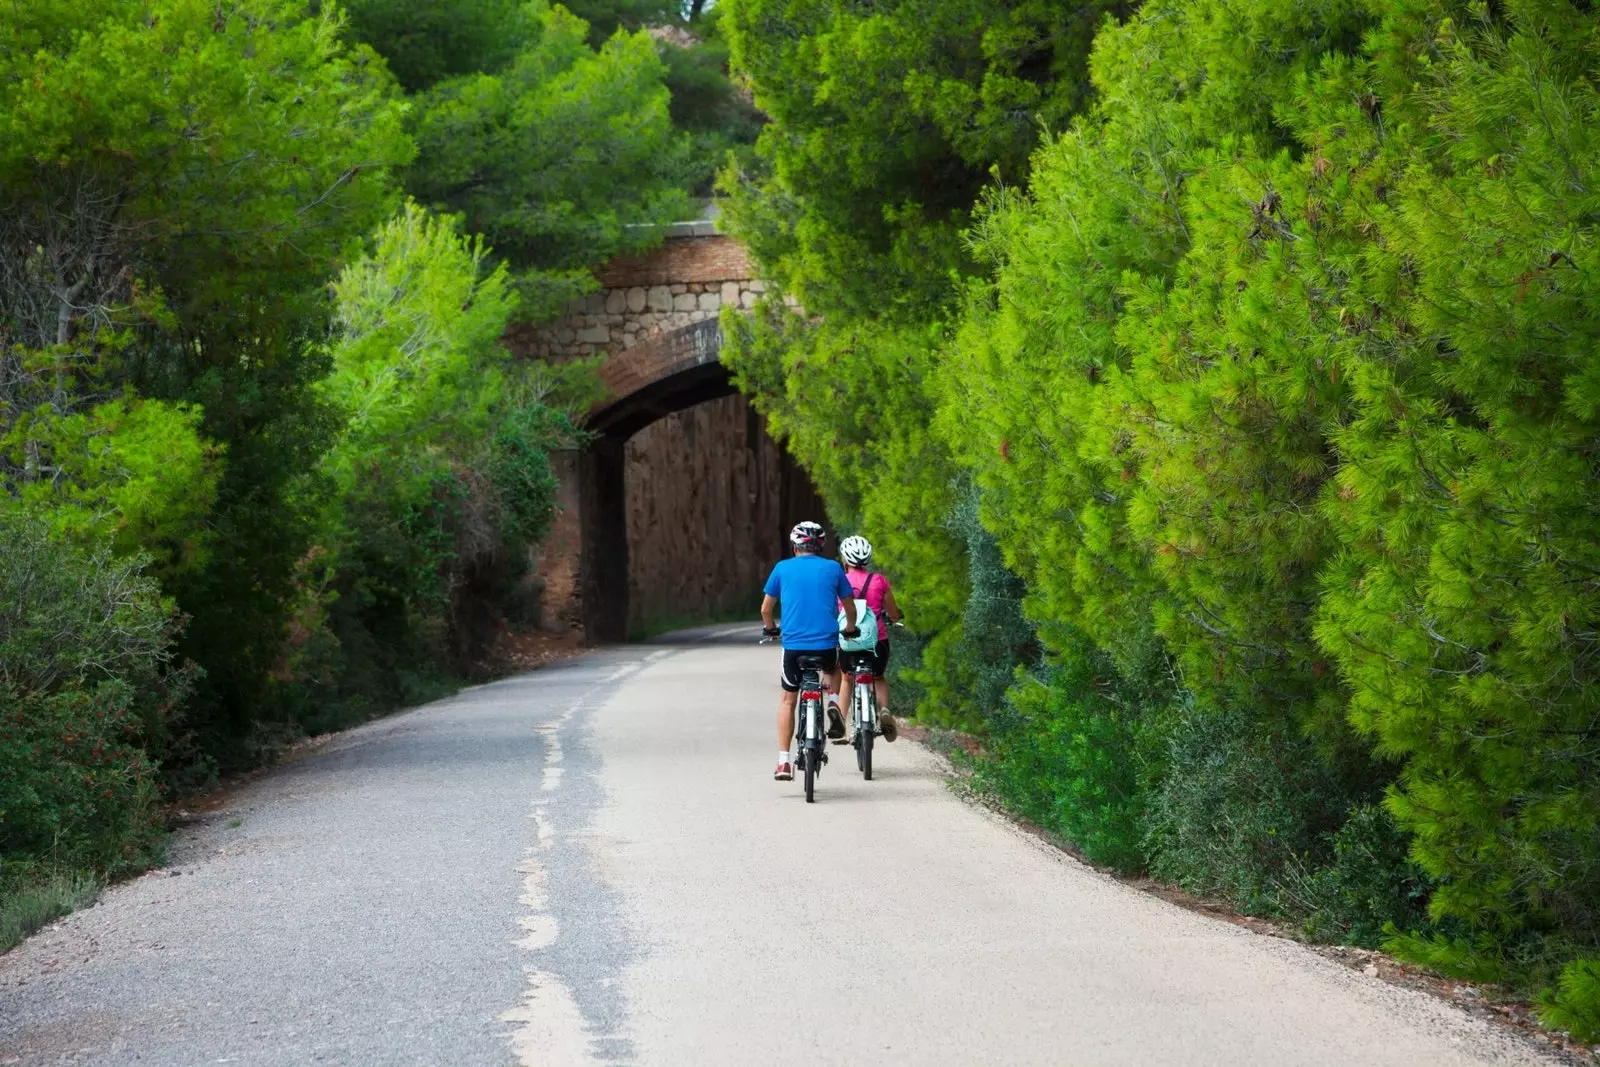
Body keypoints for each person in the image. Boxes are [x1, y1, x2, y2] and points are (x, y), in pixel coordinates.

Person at [761, 521, 859, 781]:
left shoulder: (782, 568)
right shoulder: (833, 568)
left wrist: (771, 629)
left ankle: (783, 762)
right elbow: (849, 608)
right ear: (820, 545)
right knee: (834, 667)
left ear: (795, 547)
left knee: (788, 700)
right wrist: (850, 628)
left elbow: (765, 610)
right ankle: (834, 703)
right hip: (826, 646)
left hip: (793, 648)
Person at [837, 535, 902, 743]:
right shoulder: (879, 580)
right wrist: (895, 618)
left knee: (847, 677)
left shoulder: (840, 580)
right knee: (879, 677)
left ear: (845, 560)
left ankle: (841, 720)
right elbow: (892, 612)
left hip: (848, 639)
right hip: (876, 641)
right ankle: (883, 710)